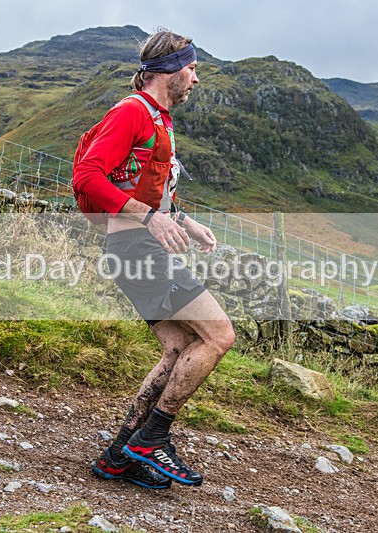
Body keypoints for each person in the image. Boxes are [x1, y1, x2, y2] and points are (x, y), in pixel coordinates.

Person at [72, 29, 236, 489]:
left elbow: (143, 190)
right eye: (192, 68)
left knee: (180, 347)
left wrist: (182, 221)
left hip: (134, 247)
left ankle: (118, 456)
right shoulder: (132, 112)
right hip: (136, 249)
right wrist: (152, 218)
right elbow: (89, 177)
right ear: (171, 70)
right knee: (219, 335)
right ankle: (152, 439)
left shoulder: (158, 120)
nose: (195, 79)